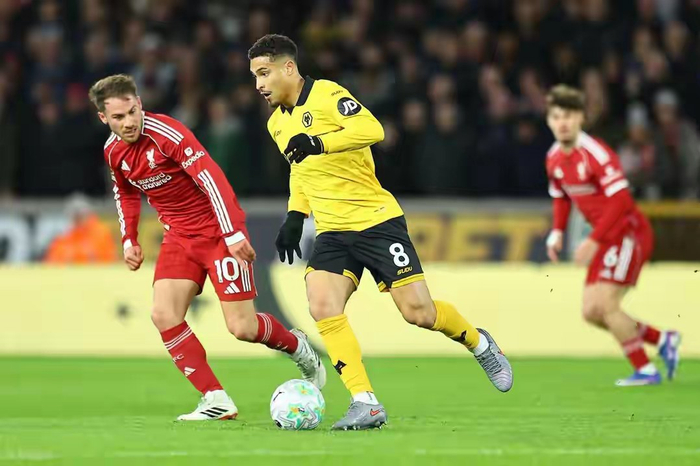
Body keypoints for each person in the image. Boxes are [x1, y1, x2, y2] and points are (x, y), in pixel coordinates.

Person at [249, 34, 513, 431]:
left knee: (419, 313)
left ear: (288, 68)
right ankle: (365, 401)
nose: (259, 84)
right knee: (322, 304)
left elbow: (373, 129)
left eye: (264, 73)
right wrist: (295, 216)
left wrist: (319, 141)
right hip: (333, 231)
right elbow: (300, 170)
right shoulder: (276, 124)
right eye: (255, 76)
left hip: (376, 221)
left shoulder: (327, 95)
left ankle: (480, 343)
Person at [88, 74, 325, 421]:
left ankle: (297, 346)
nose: (128, 122)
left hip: (217, 233)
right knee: (164, 314)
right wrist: (129, 239)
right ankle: (215, 397)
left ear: (139, 104)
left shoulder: (168, 134)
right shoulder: (113, 152)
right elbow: (125, 192)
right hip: (178, 238)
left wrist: (232, 233)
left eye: (132, 112)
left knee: (242, 328)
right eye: (118, 117)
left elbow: (210, 177)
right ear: (103, 118)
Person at [544, 84, 681, 386]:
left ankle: (645, 370)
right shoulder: (553, 158)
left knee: (607, 305)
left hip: (628, 232)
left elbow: (621, 201)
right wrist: (557, 232)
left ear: (581, 118)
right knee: (592, 312)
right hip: (607, 237)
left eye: (569, 115)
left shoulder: (595, 154)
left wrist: (593, 241)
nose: (563, 122)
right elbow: (561, 197)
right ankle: (663, 340)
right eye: (556, 116)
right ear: (549, 121)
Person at [44, 194, 117, 263]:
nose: (78, 220)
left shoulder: (102, 234)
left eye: (81, 216)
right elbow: (51, 263)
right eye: (75, 217)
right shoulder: (61, 237)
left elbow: (111, 260)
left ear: (88, 214)